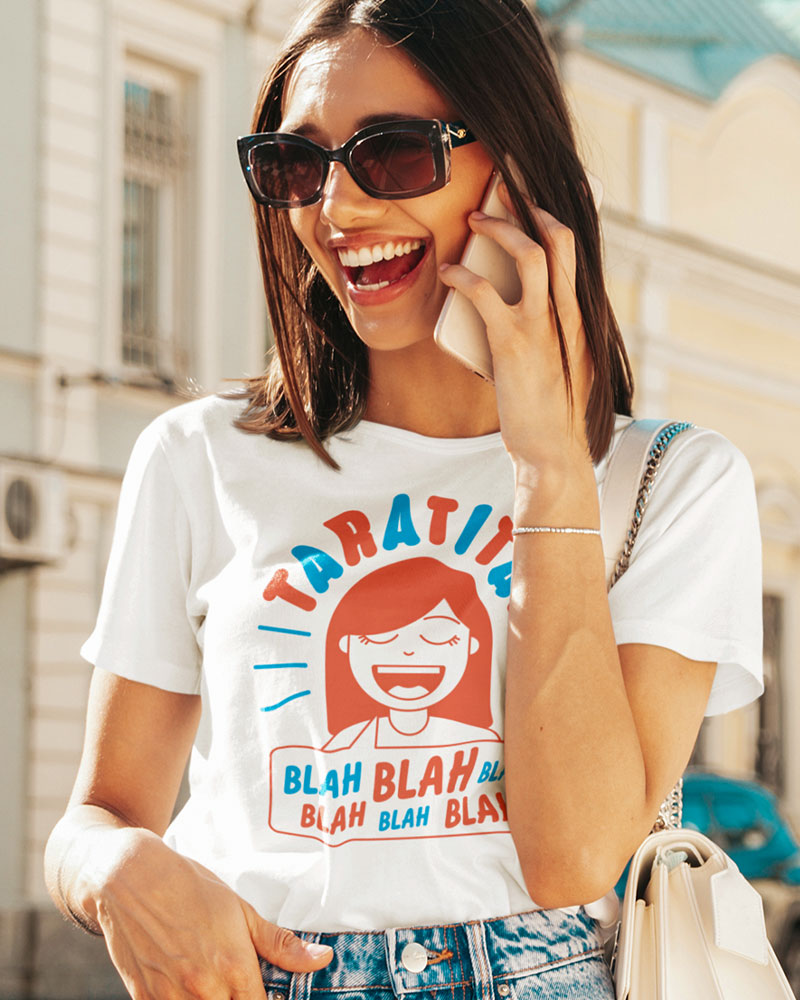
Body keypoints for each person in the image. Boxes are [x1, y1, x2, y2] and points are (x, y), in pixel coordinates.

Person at [44, 0, 763, 997]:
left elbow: (572, 859)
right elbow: (100, 813)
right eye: (296, 167)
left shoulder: (672, 483)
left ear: (511, 170)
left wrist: (548, 462)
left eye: (389, 153)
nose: (335, 211)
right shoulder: (196, 457)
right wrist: (109, 871)